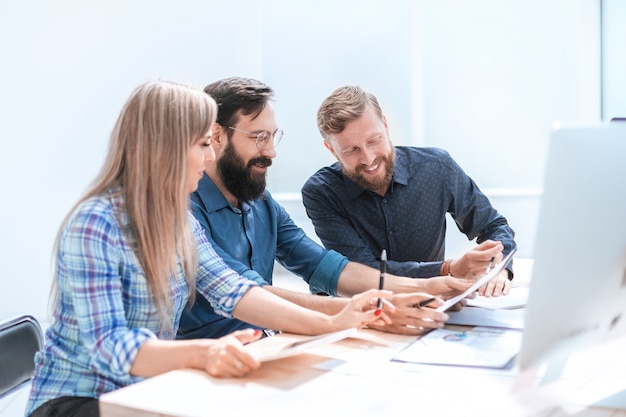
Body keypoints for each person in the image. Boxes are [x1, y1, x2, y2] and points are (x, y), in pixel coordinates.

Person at [25, 80, 395, 417]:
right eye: (202, 144)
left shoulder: (177, 221)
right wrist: (203, 354)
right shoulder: (95, 224)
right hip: (76, 400)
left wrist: (334, 320)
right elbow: (111, 345)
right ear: (164, 148)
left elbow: (233, 291)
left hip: (144, 391)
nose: (210, 157)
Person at [178, 77, 503, 340]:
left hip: (265, 349)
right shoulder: (183, 213)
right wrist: (362, 311)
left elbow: (327, 267)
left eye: (273, 136)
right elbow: (248, 292)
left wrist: (429, 285)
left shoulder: (261, 204)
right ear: (217, 136)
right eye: (260, 137)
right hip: (202, 365)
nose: (272, 152)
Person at [302, 85, 517, 297]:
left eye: (373, 140)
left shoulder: (437, 167)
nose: (368, 159)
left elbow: (494, 226)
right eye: (351, 150)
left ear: (385, 125)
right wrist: (447, 270)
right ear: (331, 149)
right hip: (358, 314)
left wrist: (499, 269)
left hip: (432, 308)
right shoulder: (322, 193)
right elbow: (362, 274)